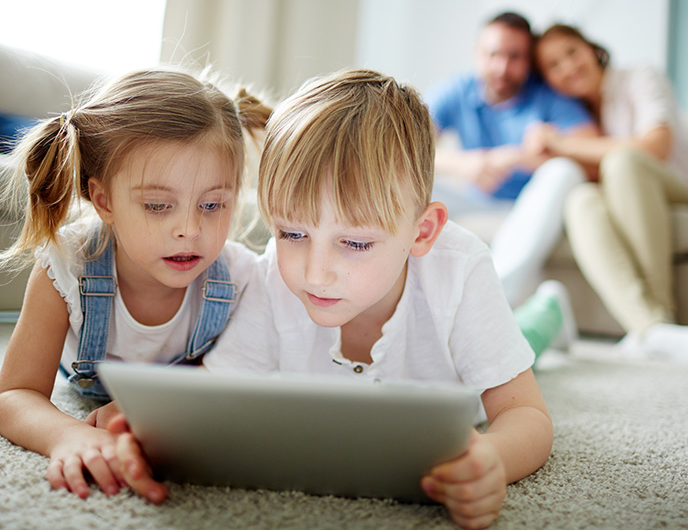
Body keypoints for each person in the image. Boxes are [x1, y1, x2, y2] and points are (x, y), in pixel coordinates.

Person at [109, 69, 554, 530]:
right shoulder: (273, 278)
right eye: (293, 233)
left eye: (356, 244)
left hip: (491, 337)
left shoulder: (459, 269)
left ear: (421, 232)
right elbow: (217, 389)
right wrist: (151, 434)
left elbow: (526, 414)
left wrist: (493, 460)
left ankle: (550, 308)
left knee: (532, 334)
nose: (314, 272)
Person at [0, 69, 270, 500]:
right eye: (159, 206)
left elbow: (245, 382)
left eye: (213, 204)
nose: (190, 229)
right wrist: (68, 436)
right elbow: (14, 394)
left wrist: (167, 409)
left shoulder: (243, 278)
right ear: (104, 202)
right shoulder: (67, 266)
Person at [531, 24, 688, 365]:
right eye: (553, 66)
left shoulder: (639, 77)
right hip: (624, 195)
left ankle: (662, 314)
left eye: (572, 52)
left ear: (591, 48)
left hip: (678, 188)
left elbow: (654, 146)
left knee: (624, 162)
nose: (568, 67)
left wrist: (564, 144)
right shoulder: (577, 116)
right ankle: (650, 328)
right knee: (579, 200)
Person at [427, 11, 598, 305]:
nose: (502, 67)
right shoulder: (457, 90)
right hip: (475, 199)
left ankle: (491, 302)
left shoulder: (549, 97)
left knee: (563, 171)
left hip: (530, 207)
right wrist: (466, 164)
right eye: (493, 54)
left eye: (515, 57)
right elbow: (401, 147)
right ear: (476, 54)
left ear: (528, 61)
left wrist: (518, 158)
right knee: (399, 176)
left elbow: (593, 156)